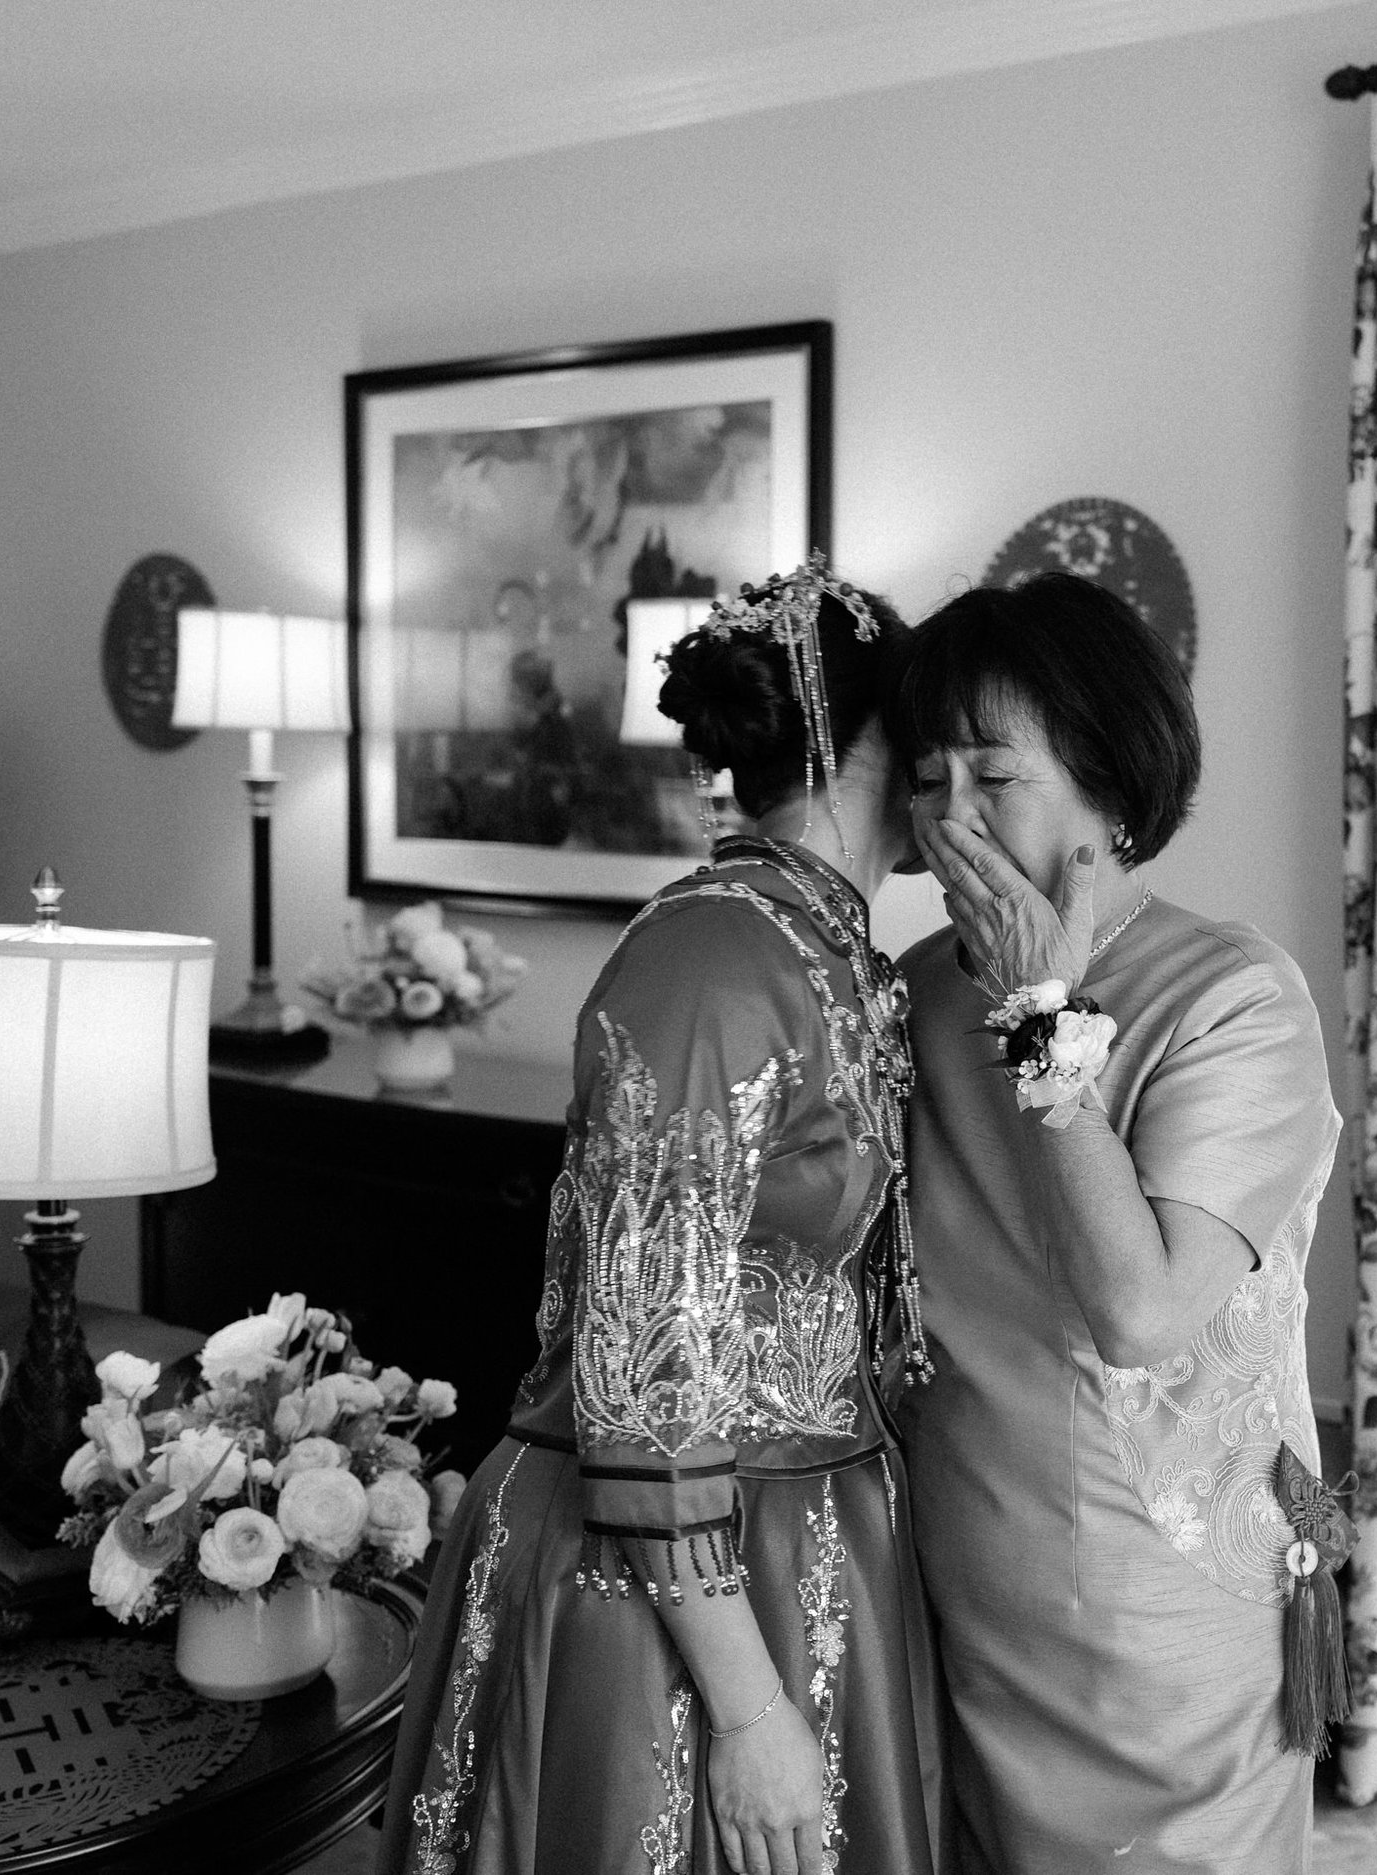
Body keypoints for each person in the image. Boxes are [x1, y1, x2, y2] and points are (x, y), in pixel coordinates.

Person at [381, 556, 946, 1875]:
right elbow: (644, 1361)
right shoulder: (713, 957)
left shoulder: (832, 950)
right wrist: (748, 1706)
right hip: (671, 1571)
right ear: (860, 734)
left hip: (808, 1518)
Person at [890, 572, 1343, 1875]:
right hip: (967, 1570)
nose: (951, 819)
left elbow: (1140, 1314)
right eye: (928, 779)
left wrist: (1040, 1011)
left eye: (993, 773)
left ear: (1109, 789)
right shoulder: (914, 992)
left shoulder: (1234, 997)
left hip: (1162, 1603)